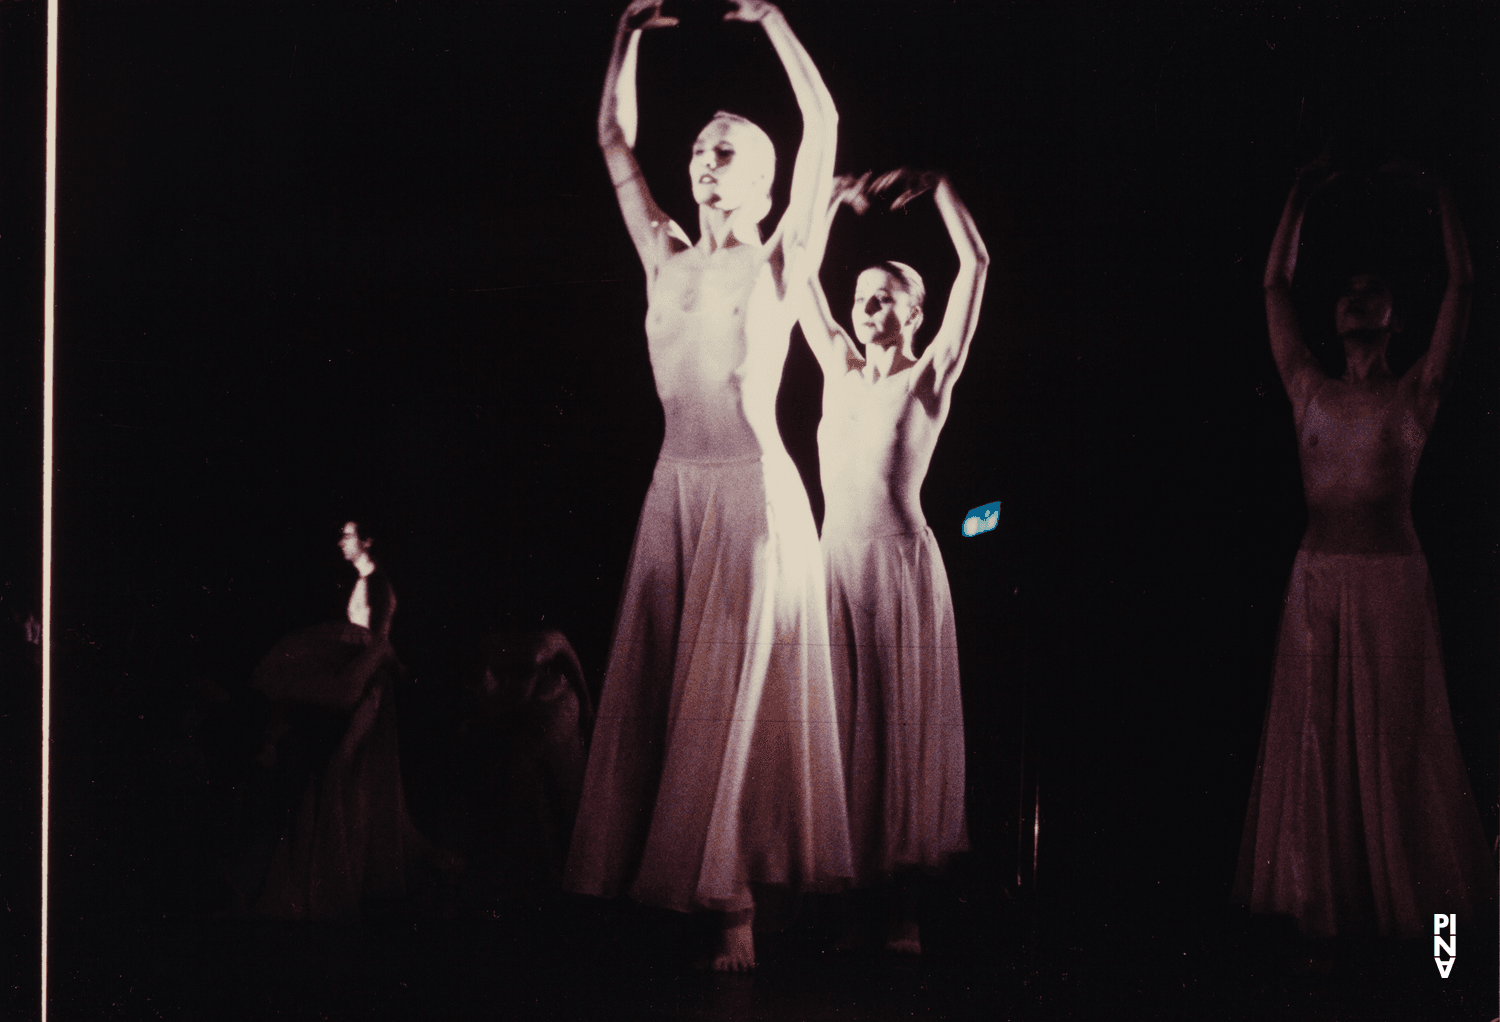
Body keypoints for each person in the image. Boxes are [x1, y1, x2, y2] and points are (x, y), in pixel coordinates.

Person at [562, 0, 852, 971]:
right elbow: (610, 134)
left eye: (724, 150)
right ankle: (671, 890)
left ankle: (732, 905)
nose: (702, 161)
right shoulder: (662, 254)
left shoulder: (780, 258)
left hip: (748, 490)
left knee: (728, 695)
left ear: (763, 181)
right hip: (674, 488)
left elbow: (826, 130)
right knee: (662, 688)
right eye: (697, 147)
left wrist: (771, 20)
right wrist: (628, 31)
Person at [1233, 154, 1496, 939]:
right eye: (1346, 291)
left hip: (1390, 586)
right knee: (1318, 746)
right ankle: (1323, 923)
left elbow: (1464, 289)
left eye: (1371, 291)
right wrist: (1299, 196)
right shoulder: (1308, 387)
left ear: (1393, 316)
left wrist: (1443, 193)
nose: (1354, 299)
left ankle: (1434, 943)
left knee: (1397, 746)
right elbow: (1275, 288)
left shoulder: (1415, 389)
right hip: (1317, 582)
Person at [797, 170, 988, 953]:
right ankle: (844, 904)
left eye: (888, 298)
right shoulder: (836, 369)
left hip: (900, 567)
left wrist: (942, 191)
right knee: (839, 731)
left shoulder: (928, 376)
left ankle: (904, 912)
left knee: (900, 728)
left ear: (916, 313)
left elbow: (976, 267)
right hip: (833, 565)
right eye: (863, 297)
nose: (871, 307)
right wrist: (825, 203)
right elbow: (797, 274)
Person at [244, 519, 433, 919]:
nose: (341, 542)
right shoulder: (363, 582)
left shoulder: (378, 584)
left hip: (367, 683)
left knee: (344, 769)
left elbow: (377, 642)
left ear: (367, 540)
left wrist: (375, 675)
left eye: (348, 536)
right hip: (360, 675)